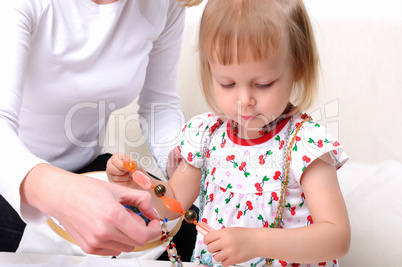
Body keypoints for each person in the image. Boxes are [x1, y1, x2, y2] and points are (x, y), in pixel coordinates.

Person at [107, 0, 351, 266]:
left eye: (263, 84)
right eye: (227, 83)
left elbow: (337, 238)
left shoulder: (306, 145)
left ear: (298, 68)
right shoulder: (206, 136)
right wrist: (136, 186)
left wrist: (255, 242)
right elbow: (170, 205)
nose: (244, 99)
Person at [0, 0, 202, 260]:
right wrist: (60, 192)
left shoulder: (164, 5)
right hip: (11, 179)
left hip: (88, 170)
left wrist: (181, 165)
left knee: (193, 240)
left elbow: (160, 105)